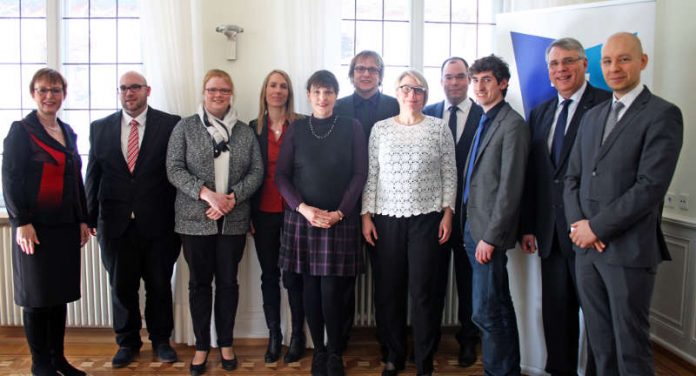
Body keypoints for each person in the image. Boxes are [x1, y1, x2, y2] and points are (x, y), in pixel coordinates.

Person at [564, 32, 683, 375]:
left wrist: (596, 228)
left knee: (630, 348)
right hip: (586, 252)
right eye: (607, 60)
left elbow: (650, 187)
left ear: (642, 62)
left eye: (624, 59)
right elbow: (572, 178)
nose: (614, 67)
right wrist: (579, 228)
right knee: (600, 346)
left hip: (628, 252)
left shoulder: (663, 115)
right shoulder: (592, 116)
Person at [519, 37, 610, 376]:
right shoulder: (541, 112)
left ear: (585, 64)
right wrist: (528, 225)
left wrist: (599, 224)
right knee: (557, 314)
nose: (561, 70)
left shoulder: (605, 105)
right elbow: (535, 176)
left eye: (568, 61)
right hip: (551, 234)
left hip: (592, 232)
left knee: (599, 318)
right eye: (554, 64)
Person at [166, 69, 263, 375]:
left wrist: (231, 199)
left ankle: (226, 343)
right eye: (212, 90)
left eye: (224, 90)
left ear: (231, 94)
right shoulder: (185, 127)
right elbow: (174, 168)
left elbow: (256, 172)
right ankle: (201, 346)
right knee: (198, 285)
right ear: (203, 92)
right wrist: (207, 195)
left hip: (232, 220)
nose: (217, 95)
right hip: (195, 220)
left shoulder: (244, 132)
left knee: (228, 284)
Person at [361, 69, 457, 376]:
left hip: (427, 220)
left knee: (423, 292)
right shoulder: (380, 129)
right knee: (388, 291)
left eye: (418, 90)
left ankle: (425, 358)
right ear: (397, 92)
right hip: (386, 220)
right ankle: (393, 355)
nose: (411, 94)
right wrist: (366, 215)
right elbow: (371, 174)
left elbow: (450, 173)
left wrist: (448, 212)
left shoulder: (439, 128)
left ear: (425, 96)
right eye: (406, 88)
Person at [85, 71, 182, 368]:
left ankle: (161, 340)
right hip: (114, 224)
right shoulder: (100, 128)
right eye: (124, 88)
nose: (129, 93)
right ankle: (127, 343)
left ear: (147, 90)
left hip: (160, 223)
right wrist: (87, 217)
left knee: (159, 285)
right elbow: (93, 175)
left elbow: (177, 172)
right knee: (121, 287)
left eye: (135, 87)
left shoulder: (170, 124)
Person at [275, 70, 367, 376]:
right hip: (304, 220)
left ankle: (336, 352)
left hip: (340, 220)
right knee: (310, 289)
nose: (323, 98)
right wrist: (303, 209)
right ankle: (320, 352)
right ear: (309, 95)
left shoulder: (351, 127)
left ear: (336, 95)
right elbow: (282, 177)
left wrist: (340, 212)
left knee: (333, 291)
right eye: (317, 92)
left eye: (328, 92)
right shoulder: (296, 130)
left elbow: (359, 174)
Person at [2, 68, 90, 376]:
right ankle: (41, 365)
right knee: (37, 299)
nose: (49, 96)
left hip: (64, 227)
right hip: (34, 229)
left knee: (59, 297)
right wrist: (21, 222)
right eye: (43, 90)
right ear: (33, 94)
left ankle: (58, 359)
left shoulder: (67, 131)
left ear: (64, 94)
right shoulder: (21, 131)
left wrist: (83, 219)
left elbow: (75, 179)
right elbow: (10, 179)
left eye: (55, 90)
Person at [462, 55, 529, 376]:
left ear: (502, 82)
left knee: (487, 312)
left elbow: (510, 188)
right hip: (471, 226)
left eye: (486, 79)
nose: (479, 86)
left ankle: (498, 372)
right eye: (475, 80)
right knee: (497, 306)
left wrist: (490, 236)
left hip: (487, 232)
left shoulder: (512, 125)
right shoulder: (486, 118)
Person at [333, 49, 399, 356]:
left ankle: (389, 344)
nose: (366, 73)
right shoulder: (339, 106)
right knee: (343, 281)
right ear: (352, 73)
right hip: (346, 205)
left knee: (387, 281)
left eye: (373, 69)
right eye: (360, 68)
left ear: (381, 75)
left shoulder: (395, 105)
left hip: (386, 205)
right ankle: (340, 342)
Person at [423, 57, 482, 367]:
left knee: (469, 282)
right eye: (449, 77)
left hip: (472, 218)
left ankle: (469, 340)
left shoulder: (485, 116)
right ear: (441, 80)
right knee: (432, 283)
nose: (455, 82)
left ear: (469, 79)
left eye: (460, 77)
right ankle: (428, 341)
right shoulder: (428, 114)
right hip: (434, 218)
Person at [249, 69, 306, 364]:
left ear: (289, 92)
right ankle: (275, 336)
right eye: (273, 85)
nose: (278, 90)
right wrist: (246, 213)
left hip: (295, 212)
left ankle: (298, 336)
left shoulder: (301, 125)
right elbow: (245, 172)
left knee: (294, 277)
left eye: (283, 86)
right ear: (265, 90)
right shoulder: (252, 128)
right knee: (269, 275)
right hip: (263, 213)